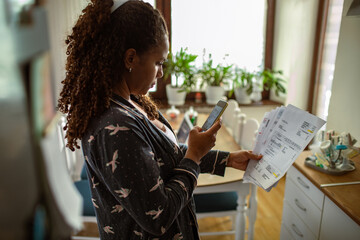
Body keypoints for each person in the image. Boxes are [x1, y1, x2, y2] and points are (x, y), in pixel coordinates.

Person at [57, 0, 262, 239]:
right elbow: (158, 218)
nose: (161, 72)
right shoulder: (116, 127)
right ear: (130, 58)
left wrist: (226, 160)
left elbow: (162, 157)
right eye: (158, 62)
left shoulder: (131, 102)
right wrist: (194, 156)